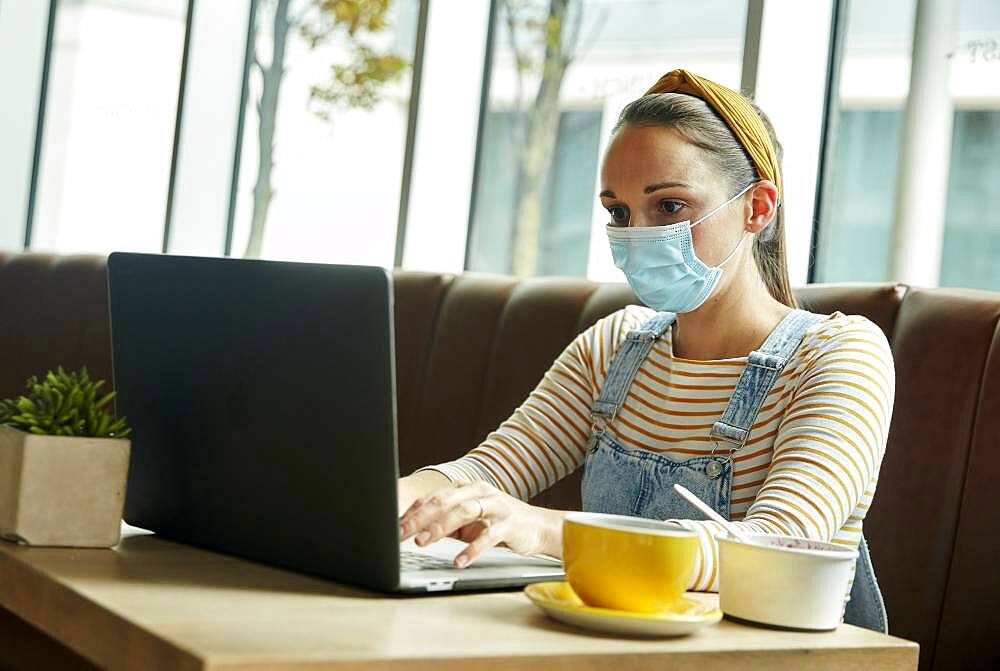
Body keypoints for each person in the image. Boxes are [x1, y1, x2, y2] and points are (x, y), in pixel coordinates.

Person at [397, 69, 893, 632]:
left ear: (757, 208)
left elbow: (775, 547)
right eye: (619, 212)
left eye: (670, 207)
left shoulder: (840, 354)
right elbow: (487, 473)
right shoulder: (615, 345)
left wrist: (543, 530)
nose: (638, 234)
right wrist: (380, 504)